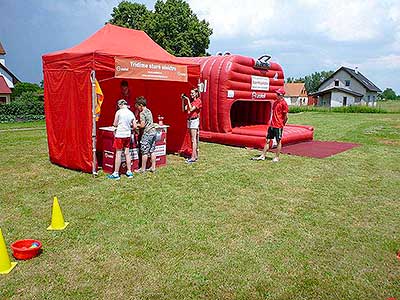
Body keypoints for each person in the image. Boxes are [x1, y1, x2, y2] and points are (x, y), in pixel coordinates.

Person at [252, 88, 288, 162]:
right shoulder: (275, 103)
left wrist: (282, 124)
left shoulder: (284, 104)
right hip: (272, 125)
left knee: (278, 141)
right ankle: (263, 156)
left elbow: (286, 116)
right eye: (276, 94)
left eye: (278, 94)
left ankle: (277, 157)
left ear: (281, 95)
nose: (276, 95)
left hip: (278, 126)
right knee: (267, 140)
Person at [108, 99, 136, 180]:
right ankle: (129, 171)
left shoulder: (119, 112)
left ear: (119, 105)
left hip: (120, 135)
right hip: (128, 135)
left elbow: (115, 123)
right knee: (127, 153)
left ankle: (116, 173)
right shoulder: (131, 113)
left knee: (118, 153)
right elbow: (134, 126)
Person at [135, 96, 157, 173]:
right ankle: (153, 167)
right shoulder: (149, 111)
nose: (137, 108)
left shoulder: (142, 113)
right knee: (152, 150)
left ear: (141, 105)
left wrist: (136, 124)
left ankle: (143, 168)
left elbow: (142, 125)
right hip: (153, 132)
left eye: (137, 106)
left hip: (147, 133)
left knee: (144, 151)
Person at [182, 88, 202, 163]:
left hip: (194, 120)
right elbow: (184, 109)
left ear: (196, 93)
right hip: (189, 120)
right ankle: (194, 155)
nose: (191, 94)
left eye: (193, 93)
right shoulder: (192, 101)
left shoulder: (198, 101)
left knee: (193, 140)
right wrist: (183, 100)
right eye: (191, 93)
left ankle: (193, 157)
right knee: (192, 140)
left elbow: (190, 109)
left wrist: (187, 100)